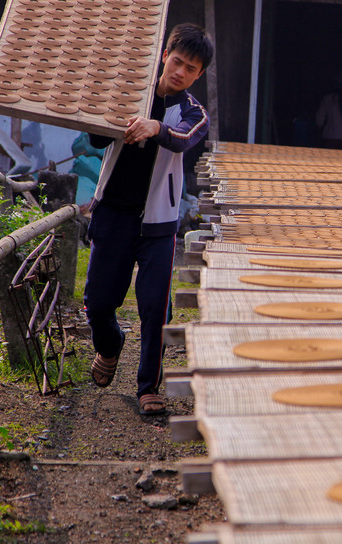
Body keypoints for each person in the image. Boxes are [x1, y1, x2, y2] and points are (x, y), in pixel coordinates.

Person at [83, 23, 212, 416]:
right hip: (113, 213)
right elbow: (95, 139)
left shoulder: (193, 113)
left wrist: (155, 127)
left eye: (191, 69)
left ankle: (148, 387)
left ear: (198, 75)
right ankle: (109, 346)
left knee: (156, 307)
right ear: (164, 55)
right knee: (97, 303)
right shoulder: (128, 93)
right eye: (177, 62)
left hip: (159, 223)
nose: (181, 72)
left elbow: (182, 139)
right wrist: (106, 110)